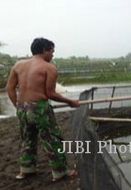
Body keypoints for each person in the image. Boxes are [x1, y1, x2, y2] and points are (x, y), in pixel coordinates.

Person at [6, 37, 80, 181]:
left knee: (27, 139)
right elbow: (50, 93)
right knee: (52, 139)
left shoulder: (18, 65)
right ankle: (60, 171)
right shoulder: (49, 67)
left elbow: (9, 88)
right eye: (52, 51)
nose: (53, 54)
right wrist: (70, 102)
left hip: (22, 108)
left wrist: (18, 105)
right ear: (45, 50)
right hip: (39, 108)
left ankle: (26, 169)